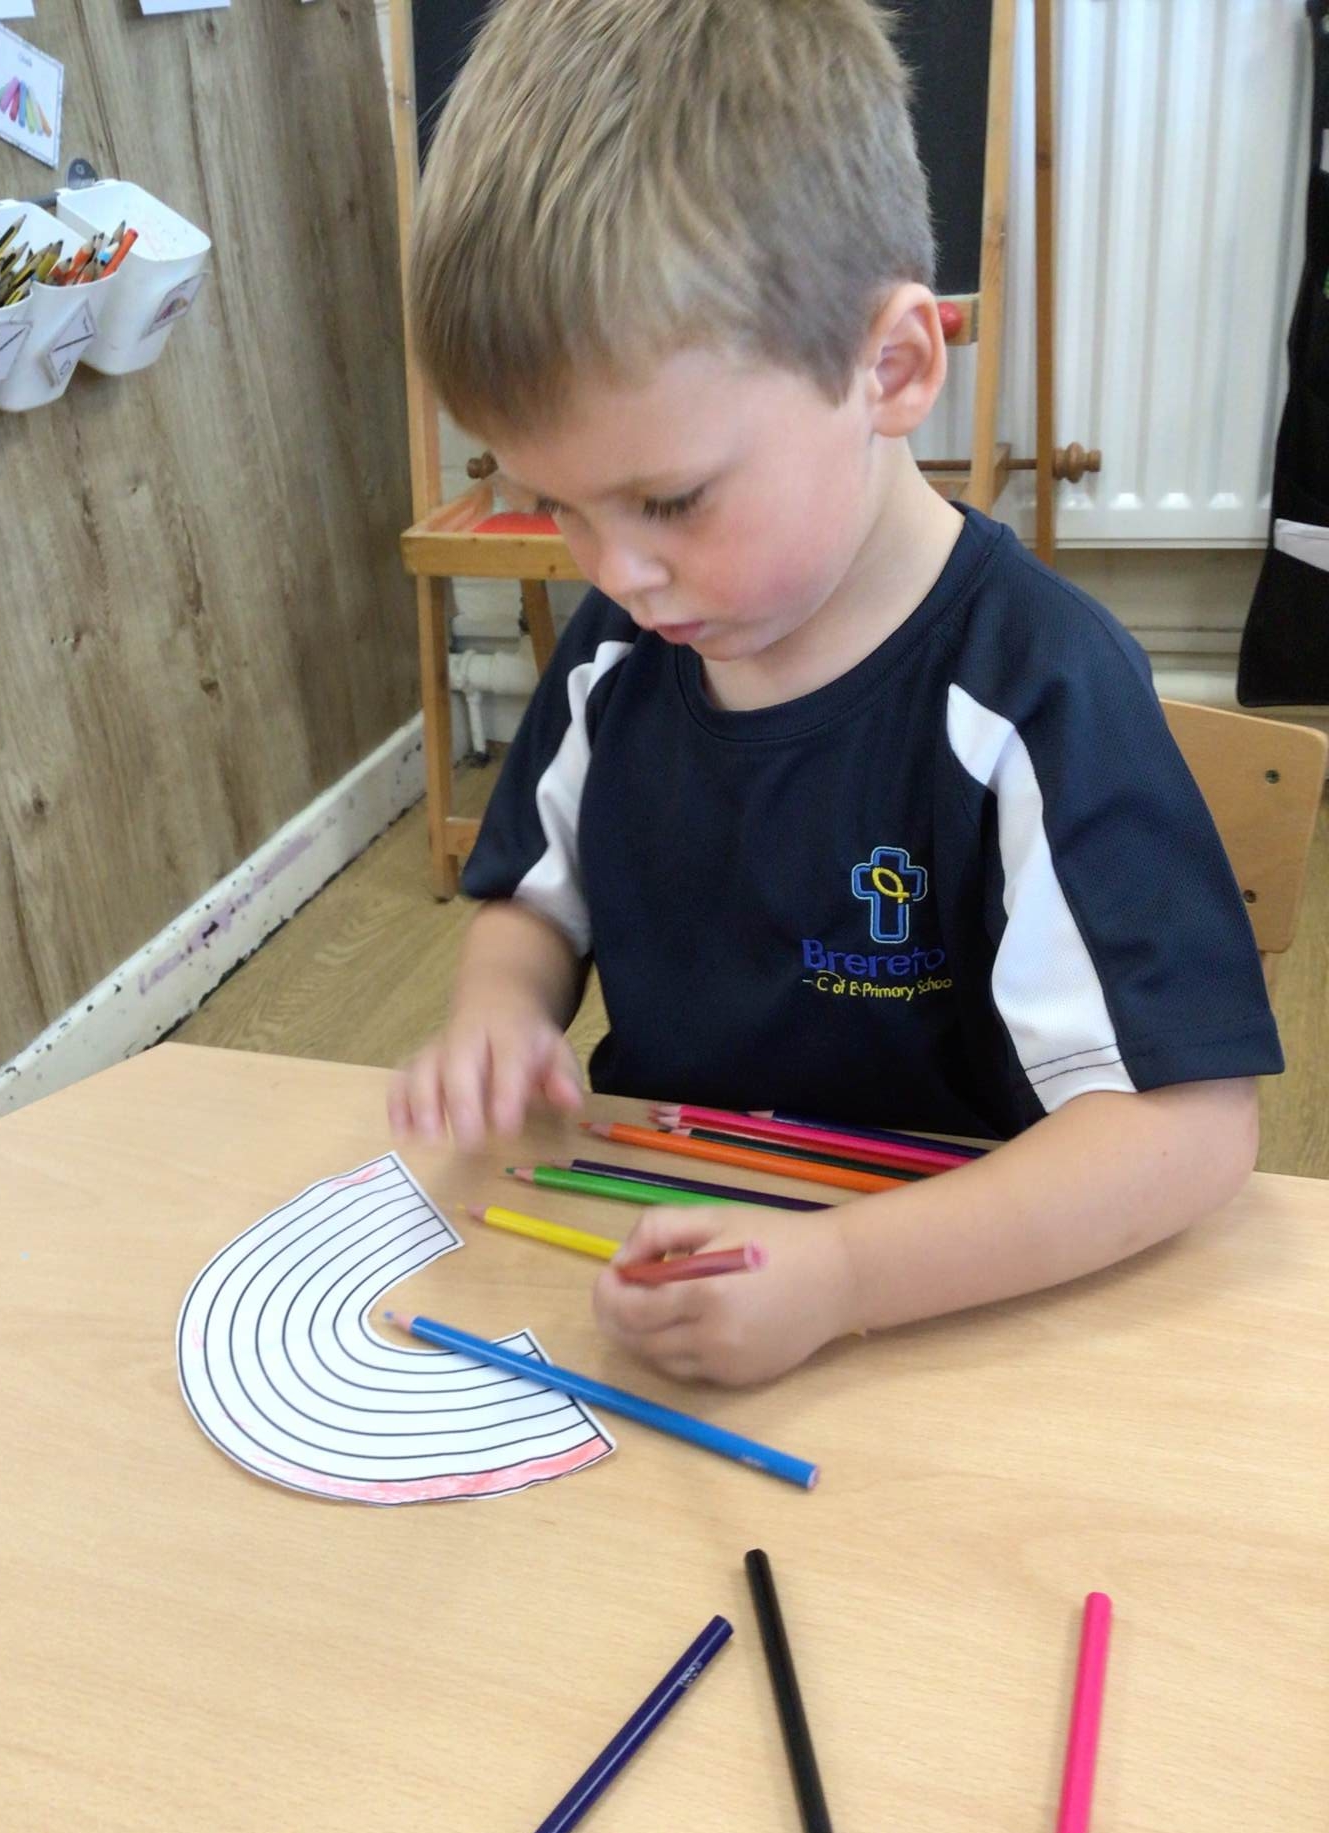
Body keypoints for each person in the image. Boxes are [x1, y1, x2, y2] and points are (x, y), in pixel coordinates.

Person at [390, 0, 1281, 1386]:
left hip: (958, 1306)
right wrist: (500, 1008)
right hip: (660, 1247)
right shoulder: (625, 651)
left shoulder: (1034, 689)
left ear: (893, 368)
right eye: (555, 503)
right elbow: (533, 901)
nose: (615, 571)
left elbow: (1192, 1129)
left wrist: (847, 1276)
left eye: (669, 500)